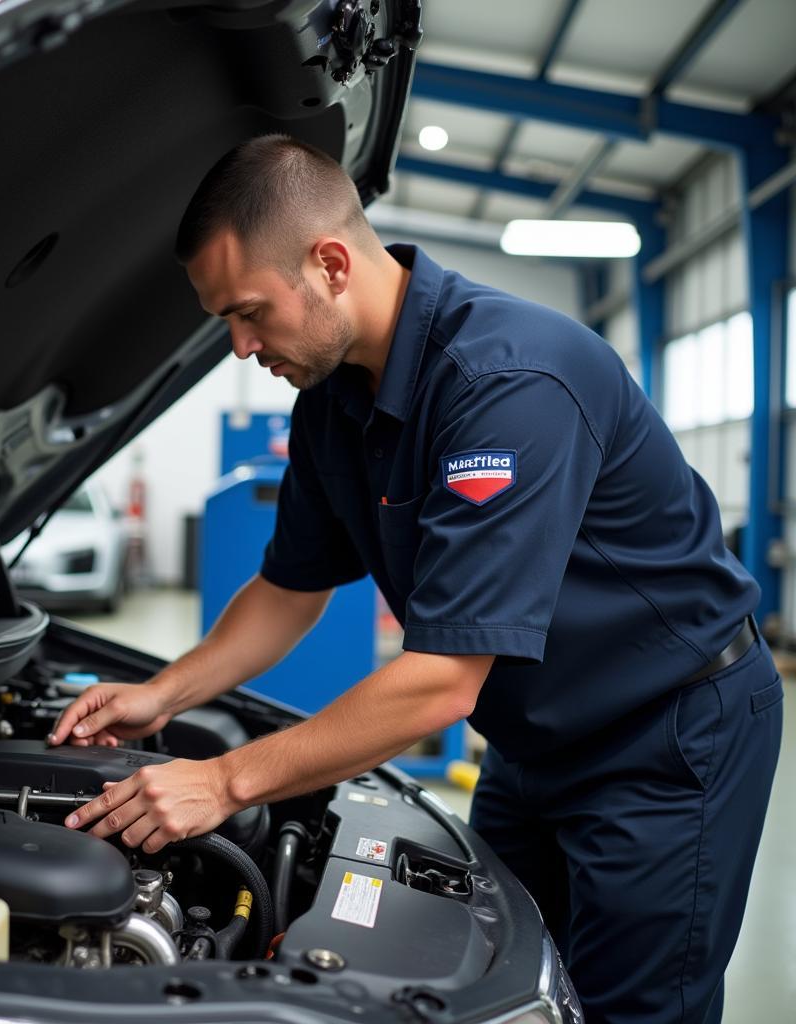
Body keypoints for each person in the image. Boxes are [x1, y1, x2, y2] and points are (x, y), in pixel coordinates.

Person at [49, 135, 783, 1023]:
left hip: (664, 739)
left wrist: (225, 781)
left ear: (328, 264)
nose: (241, 347)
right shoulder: (331, 397)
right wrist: (162, 694)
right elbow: (290, 589)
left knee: (633, 1010)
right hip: (533, 737)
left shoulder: (509, 382)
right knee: (501, 980)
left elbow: (439, 680)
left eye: (248, 313)